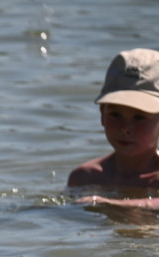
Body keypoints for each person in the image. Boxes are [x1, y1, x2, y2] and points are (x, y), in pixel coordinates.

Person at [67, 48, 159, 209]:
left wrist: (110, 204)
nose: (125, 128)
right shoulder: (85, 177)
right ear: (102, 113)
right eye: (116, 114)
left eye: (140, 117)